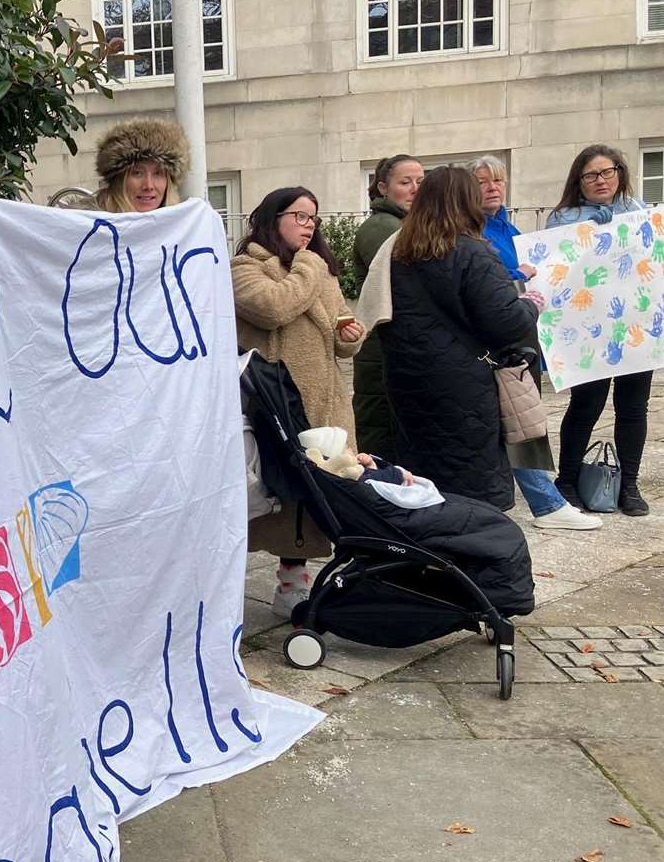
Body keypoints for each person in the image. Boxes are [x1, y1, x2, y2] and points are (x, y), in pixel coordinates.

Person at [232, 187, 365, 618]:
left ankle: (293, 582)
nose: (308, 226)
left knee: (312, 498)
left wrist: (351, 336)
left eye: (313, 219)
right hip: (271, 403)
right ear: (273, 219)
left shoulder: (322, 274)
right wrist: (308, 266)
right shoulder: (244, 268)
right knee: (262, 494)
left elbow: (339, 333)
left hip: (323, 403)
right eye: (300, 216)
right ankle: (223, 583)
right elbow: (274, 308)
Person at [380, 166, 544, 509]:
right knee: (471, 484)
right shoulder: (472, 252)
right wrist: (530, 305)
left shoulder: (398, 253)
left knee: (424, 480)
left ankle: (431, 553)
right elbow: (507, 322)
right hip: (465, 384)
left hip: (409, 380)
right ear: (468, 202)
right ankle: (470, 554)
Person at [471, 154, 600, 531]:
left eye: (497, 181)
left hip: (519, 336)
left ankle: (544, 501)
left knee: (521, 420)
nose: (492, 187)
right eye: (482, 181)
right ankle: (546, 503)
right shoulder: (473, 231)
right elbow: (485, 280)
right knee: (521, 421)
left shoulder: (508, 228)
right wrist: (518, 274)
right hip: (498, 342)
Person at [545, 145, 652, 516]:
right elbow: (556, 271)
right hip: (588, 330)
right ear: (579, 181)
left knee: (633, 408)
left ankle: (630, 485)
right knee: (585, 406)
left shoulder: (640, 213)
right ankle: (569, 480)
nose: (600, 180)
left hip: (634, 327)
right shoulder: (563, 219)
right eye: (591, 175)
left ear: (620, 173)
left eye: (607, 172)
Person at [351, 154, 423, 461]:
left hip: (396, 346)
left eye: (421, 182)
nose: (414, 189)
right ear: (383, 187)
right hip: (382, 350)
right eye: (405, 182)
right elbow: (410, 280)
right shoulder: (382, 227)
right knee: (382, 438)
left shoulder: (406, 224)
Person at [93, 117, 189, 213]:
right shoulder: (91, 223)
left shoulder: (184, 223)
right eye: (137, 173)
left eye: (158, 173)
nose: (148, 186)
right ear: (118, 180)